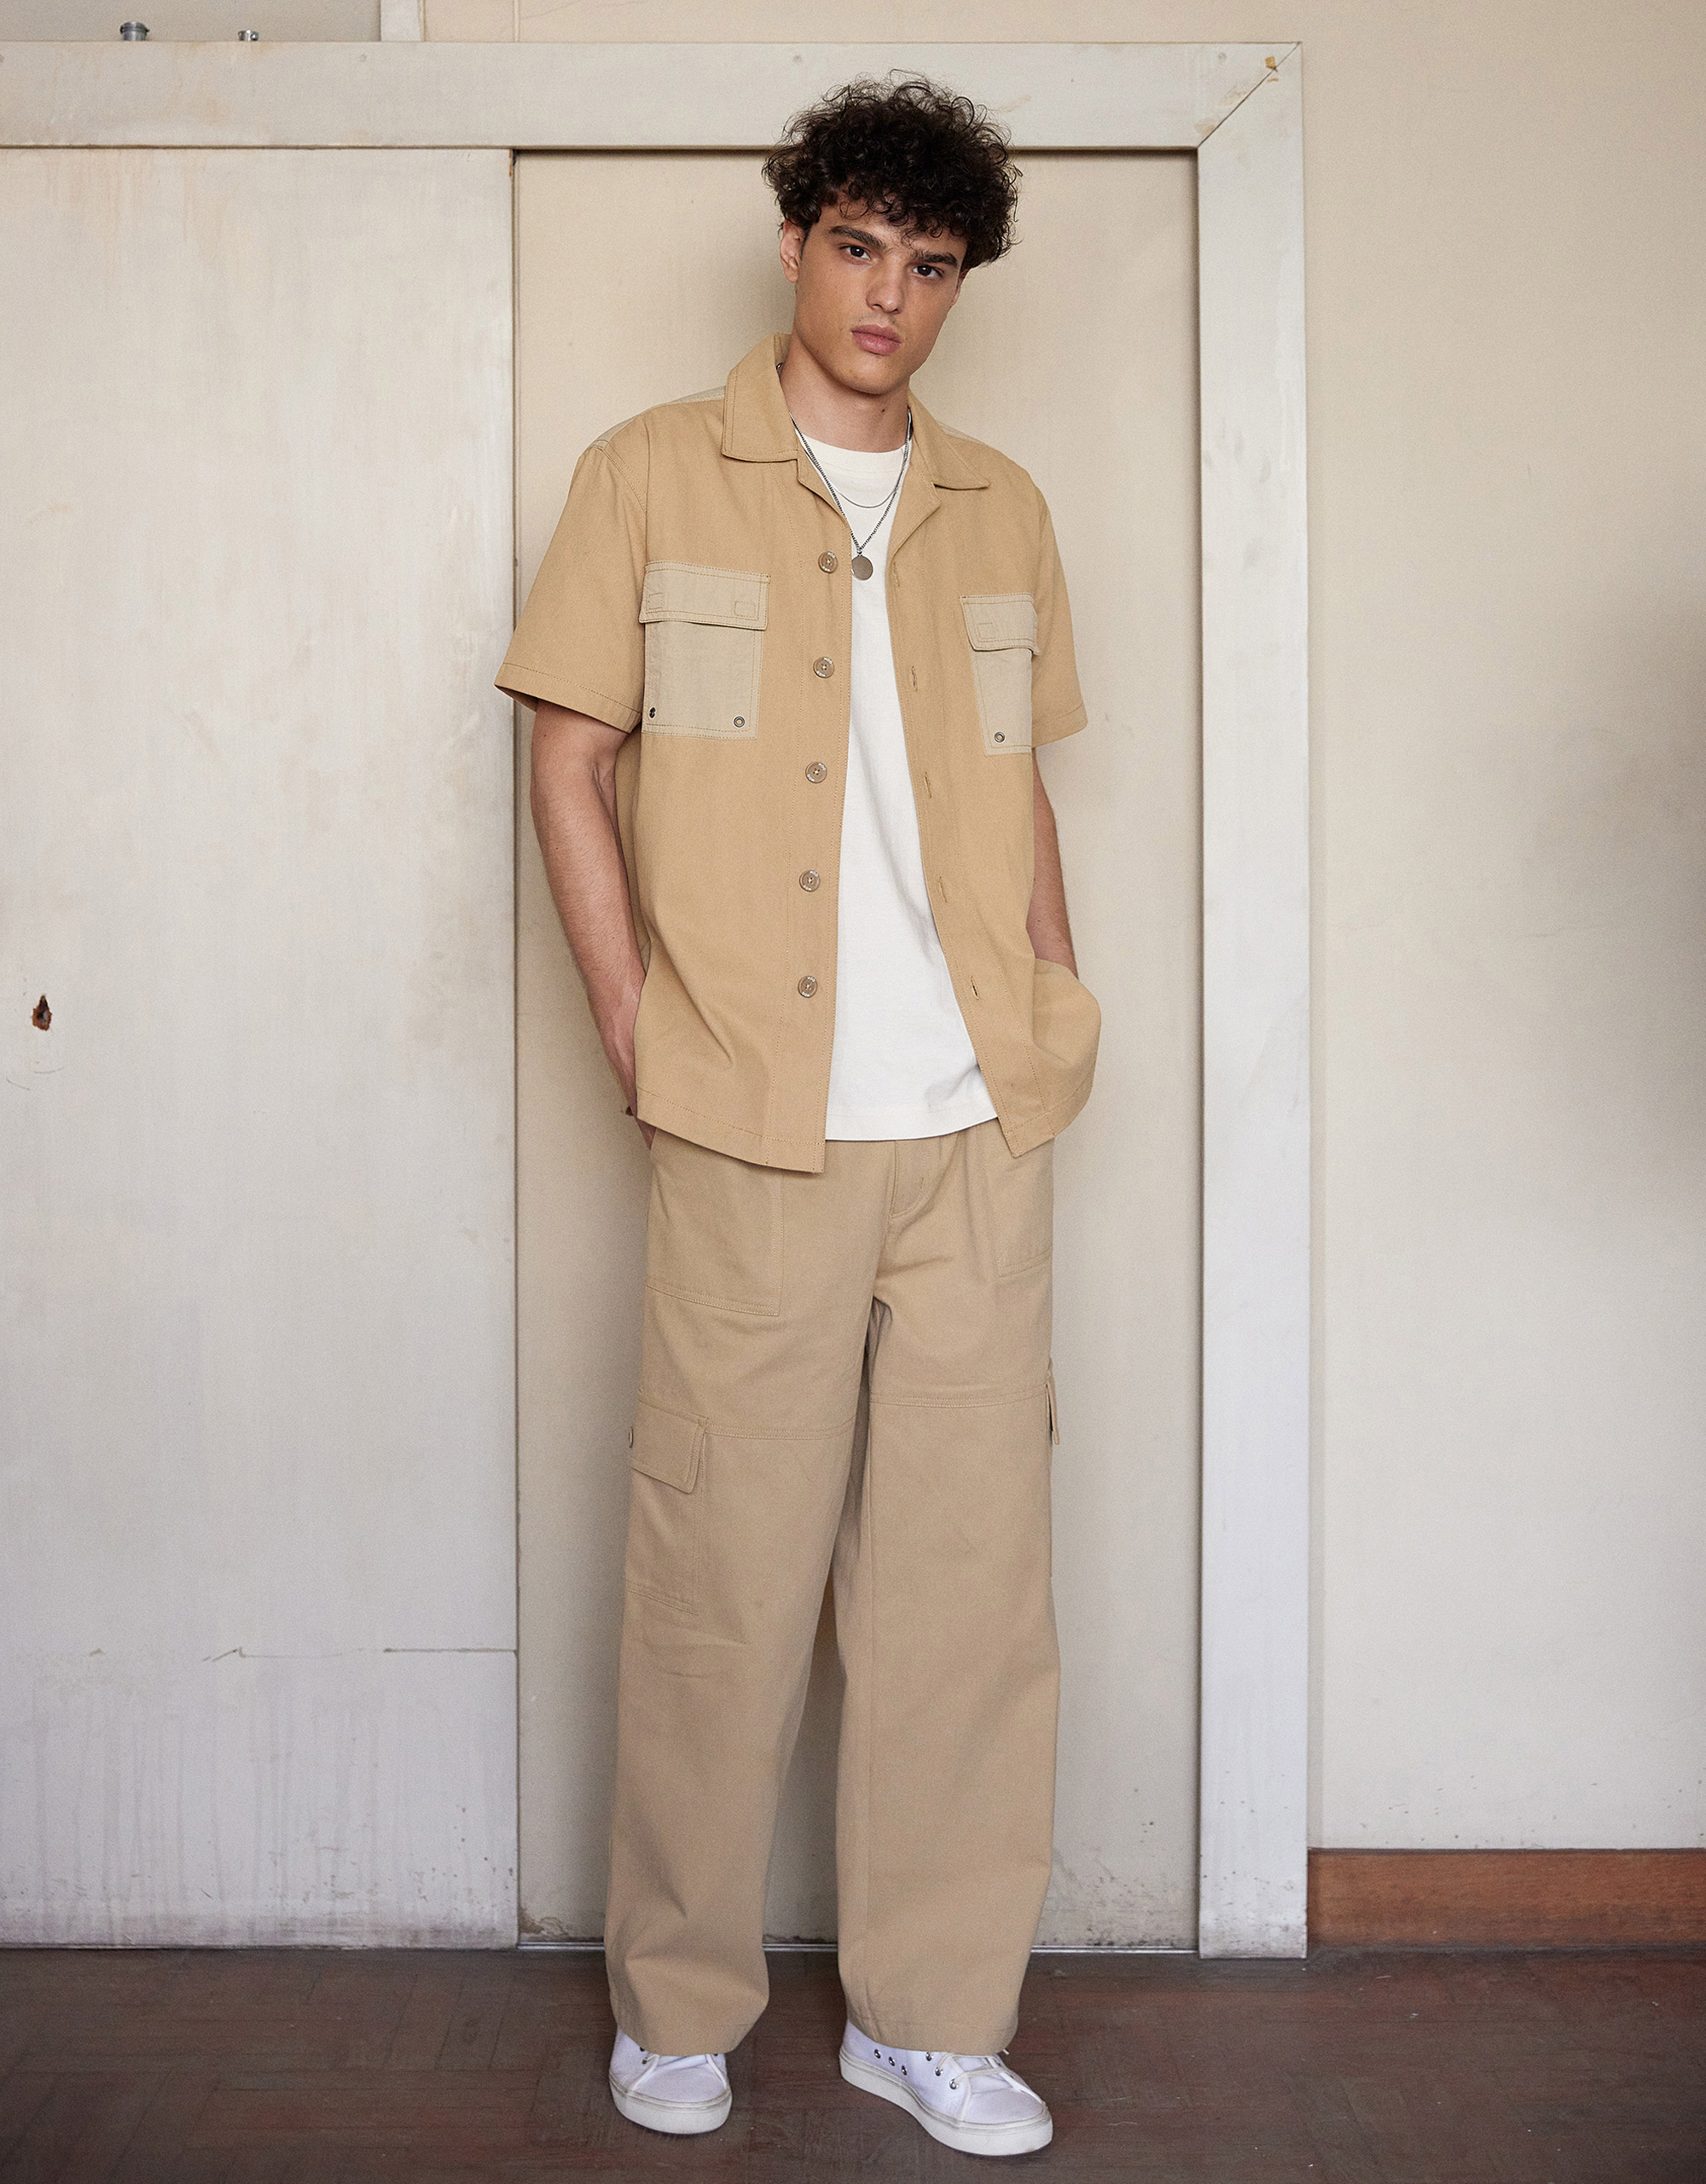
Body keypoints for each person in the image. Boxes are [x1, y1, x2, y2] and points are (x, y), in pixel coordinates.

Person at [497, 74, 1099, 2160]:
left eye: (928, 263)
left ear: (957, 282)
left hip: (974, 1130)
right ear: (793, 242)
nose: (887, 295)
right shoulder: (649, 473)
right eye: (857, 246)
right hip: (753, 1118)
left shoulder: (1004, 508)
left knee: (964, 1599)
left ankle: (930, 2015)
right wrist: (634, 1030)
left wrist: (1053, 1001)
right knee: (717, 1580)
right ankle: (676, 2004)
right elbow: (566, 761)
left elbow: (1019, 779)